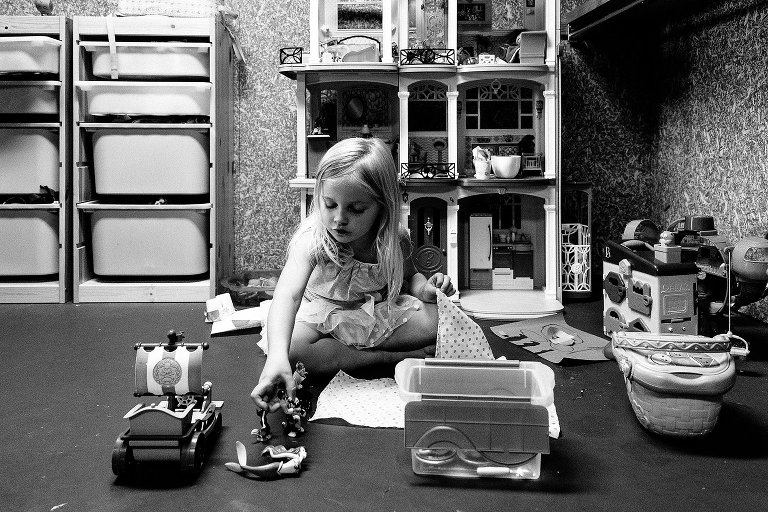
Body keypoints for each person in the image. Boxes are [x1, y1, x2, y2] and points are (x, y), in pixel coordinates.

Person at [251, 137, 454, 413]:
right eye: (330, 204)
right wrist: (275, 360)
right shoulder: (313, 239)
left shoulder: (396, 239)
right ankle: (386, 358)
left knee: (442, 320)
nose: (339, 219)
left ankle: (355, 353)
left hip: (374, 314)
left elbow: (411, 278)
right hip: (322, 320)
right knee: (291, 351)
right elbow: (288, 294)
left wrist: (425, 290)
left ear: (382, 206)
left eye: (356, 209)